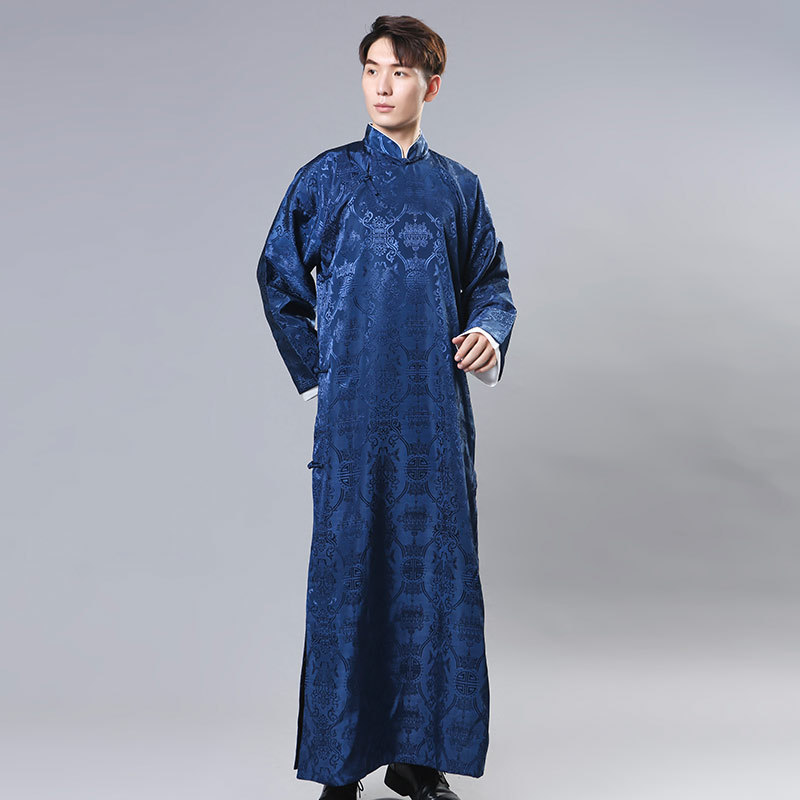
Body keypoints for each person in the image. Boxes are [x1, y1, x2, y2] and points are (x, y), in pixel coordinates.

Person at [256, 14, 516, 800]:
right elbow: (277, 276)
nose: (382, 85)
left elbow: (491, 284)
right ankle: (341, 766)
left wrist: (486, 333)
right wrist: (321, 372)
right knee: (349, 580)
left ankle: (418, 761)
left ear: (430, 85)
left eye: (400, 72)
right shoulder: (325, 179)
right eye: (372, 69)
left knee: (433, 583)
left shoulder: (459, 188)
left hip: (435, 421)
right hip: (354, 421)